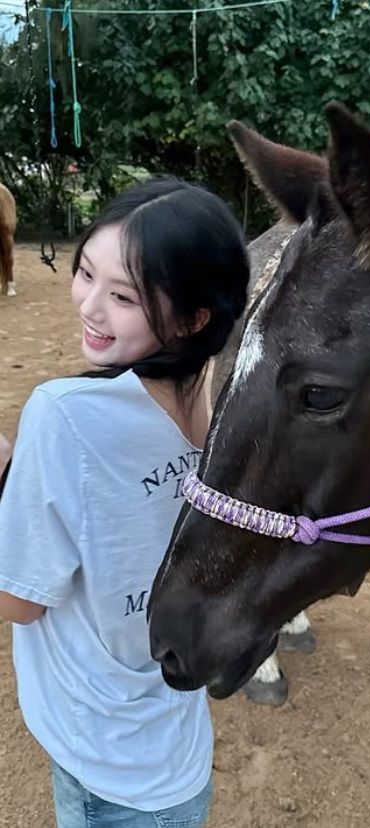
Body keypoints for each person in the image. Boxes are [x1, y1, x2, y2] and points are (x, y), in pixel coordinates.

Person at [0, 178, 250, 827]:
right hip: (175, 756)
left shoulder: (65, 416)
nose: (90, 306)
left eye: (124, 296)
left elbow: (20, 601)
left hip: (101, 766)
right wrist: (15, 470)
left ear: (193, 318)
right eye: (87, 274)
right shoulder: (219, 398)